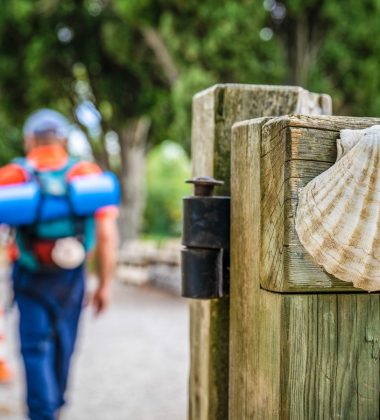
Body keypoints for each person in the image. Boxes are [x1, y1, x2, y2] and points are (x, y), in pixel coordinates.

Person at [0, 109, 119, 419]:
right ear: (63, 140)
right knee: (65, 343)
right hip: (72, 277)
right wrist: (105, 284)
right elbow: (106, 235)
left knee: (34, 348)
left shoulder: (12, 176)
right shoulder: (86, 174)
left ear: (29, 141)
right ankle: (57, 404)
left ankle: (42, 412)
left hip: (29, 274)